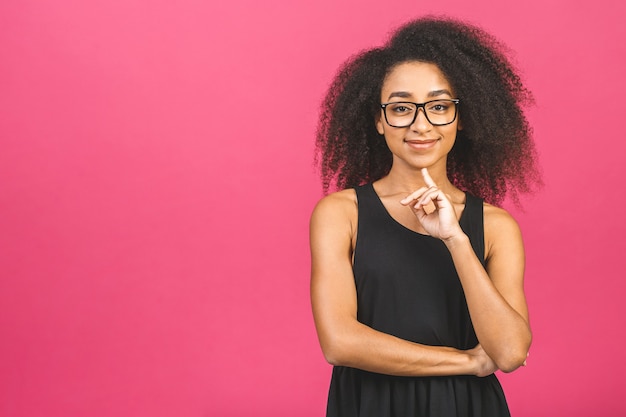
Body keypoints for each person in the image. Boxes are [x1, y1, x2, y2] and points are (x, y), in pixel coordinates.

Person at [309, 16, 541, 417]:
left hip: (466, 407)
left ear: (462, 117)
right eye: (401, 108)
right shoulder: (341, 214)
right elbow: (339, 343)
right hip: (369, 405)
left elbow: (509, 351)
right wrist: (468, 362)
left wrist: (456, 239)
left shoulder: (495, 227)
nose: (421, 124)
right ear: (379, 121)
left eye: (438, 106)